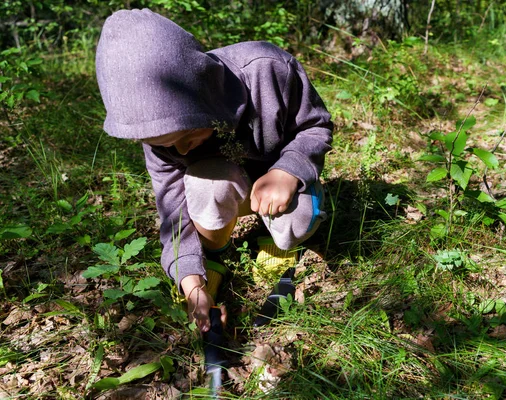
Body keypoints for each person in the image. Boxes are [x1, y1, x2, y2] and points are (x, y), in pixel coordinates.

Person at [95, 9, 333, 332]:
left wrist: (288, 171)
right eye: (166, 145)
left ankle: (278, 242)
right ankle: (215, 254)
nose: (180, 151)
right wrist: (191, 283)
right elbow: (173, 214)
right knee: (205, 184)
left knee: (302, 214)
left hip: (283, 187)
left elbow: (315, 125)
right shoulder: (161, 139)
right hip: (234, 188)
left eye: (186, 136)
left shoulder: (268, 71)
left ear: (200, 91)